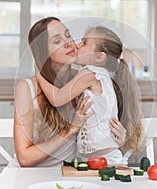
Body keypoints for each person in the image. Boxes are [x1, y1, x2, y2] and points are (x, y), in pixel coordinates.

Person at [13, 17, 127, 167]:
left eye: (68, 35)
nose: (68, 43)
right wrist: (71, 130)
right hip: (32, 174)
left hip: (68, 174)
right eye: (57, 41)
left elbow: (99, 136)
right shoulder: (26, 88)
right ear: (43, 53)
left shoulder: (85, 80)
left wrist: (121, 140)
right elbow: (24, 159)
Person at [36, 25, 143, 165]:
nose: (77, 45)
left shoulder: (91, 73)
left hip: (106, 161)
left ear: (99, 57)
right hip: (101, 159)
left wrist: (39, 73)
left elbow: (57, 98)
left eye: (84, 43)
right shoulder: (100, 76)